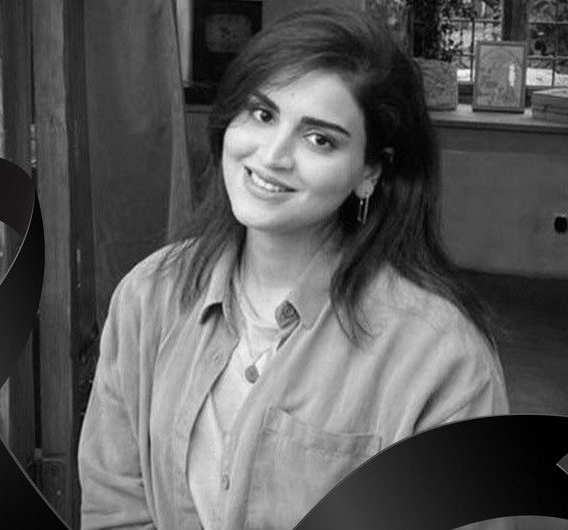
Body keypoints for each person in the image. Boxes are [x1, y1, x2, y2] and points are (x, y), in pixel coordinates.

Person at [78, 7, 509, 529]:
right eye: (262, 114)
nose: (273, 156)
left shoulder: (441, 356)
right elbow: (115, 508)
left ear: (369, 172)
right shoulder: (148, 296)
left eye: (319, 139)